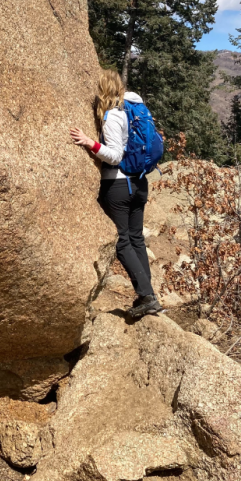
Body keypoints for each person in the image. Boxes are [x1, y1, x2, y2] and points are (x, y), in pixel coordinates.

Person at [70, 69, 163, 318]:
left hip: (120, 185)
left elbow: (115, 155)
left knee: (122, 243)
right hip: (139, 185)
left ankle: (146, 295)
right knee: (136, 239)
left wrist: (90, 142)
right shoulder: (135, 109)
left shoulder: (113, 115)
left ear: (103, 91)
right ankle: (148, 295)